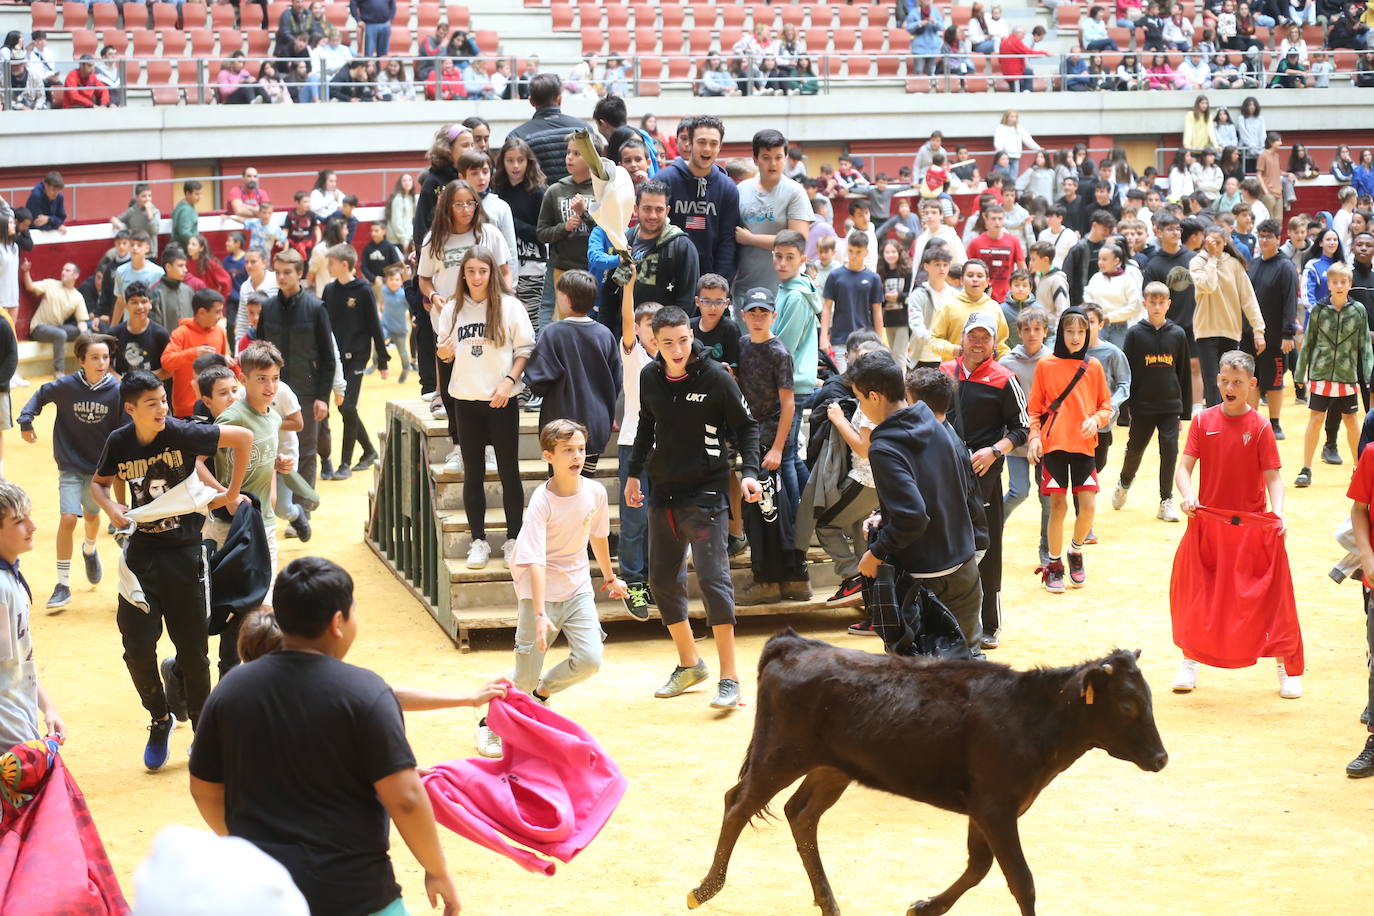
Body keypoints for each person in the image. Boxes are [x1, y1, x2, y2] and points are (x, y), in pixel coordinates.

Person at [189, 557, 469, 916]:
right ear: (338, 623)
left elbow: (204, 790)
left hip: (261, 897)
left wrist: (247, 848)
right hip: (356, 895)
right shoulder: (366, 692)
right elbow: (407, 799)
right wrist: (437, 869)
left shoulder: (231, 690)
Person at [91, 370, 250, 770]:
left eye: (163, 400)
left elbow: (243, 439)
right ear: (130, 409)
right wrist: (111, 508)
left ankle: (203, 735)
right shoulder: (118, 442)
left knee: (194, 654)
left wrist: (229, 493)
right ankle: (160, 719)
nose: (162, 408)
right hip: (140, 556)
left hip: (185, 556)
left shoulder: (182, 433)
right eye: (152, 403)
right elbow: (99, 484)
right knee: (137, 649)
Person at [625, 306, 762, 710]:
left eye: (683, 340)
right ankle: (690, 663)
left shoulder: (716, 377)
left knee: (713, 579)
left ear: (690, 336)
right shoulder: (650, 376)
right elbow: (646, 424)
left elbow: (748, 426)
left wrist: (750, 472)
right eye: (667, 342)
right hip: (662, 491)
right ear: (654, 342)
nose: (677, 348)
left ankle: (730, 678)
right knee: (662, 580)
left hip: (706, 493)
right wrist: (634, 474)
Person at [1171, 350, 1303, 699]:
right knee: (1197, 595)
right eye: (1225, 381)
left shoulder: (1260, 426)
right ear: (1217, 381)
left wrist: (1278, 513)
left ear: (1252, 385)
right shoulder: (1202, 421)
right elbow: (1183, 469)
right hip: (1208, 524)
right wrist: (1187, 495)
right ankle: (1189, 661)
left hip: (1252, 529)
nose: (1230, 388)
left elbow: (1274, 477)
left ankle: (1285, 667)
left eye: (1238, 383)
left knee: (1271, 599)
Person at [852, 349, 986, 657]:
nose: (861, 406)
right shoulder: (935, 422)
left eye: (860, 398)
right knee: (970, 670)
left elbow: (913, 516)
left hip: (925, 578)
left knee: (918, 681)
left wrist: (875, 552)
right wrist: (885, 520)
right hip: (964, 564)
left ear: (874, 396)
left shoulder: (884, 447)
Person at [434, 247, 535, 570]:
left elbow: (525, 350)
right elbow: (445, 355)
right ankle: (478, 541)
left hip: (502, 400)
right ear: (463, 274)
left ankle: (513, 539)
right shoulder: (452, 309)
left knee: (509, 472)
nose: (477, 277)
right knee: (473, 474)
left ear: (492, 273)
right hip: (466, 400)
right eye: (471, 271)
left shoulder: (509, 307)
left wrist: (508, 381)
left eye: (483, 271)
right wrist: (445, 354)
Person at [942, 312, 1030, 648]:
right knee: (948, 544)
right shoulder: (944, 373)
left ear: (995, 343)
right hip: (947, 476)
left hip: (985, 475)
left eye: (985, 337)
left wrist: (994, 451)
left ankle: (989, 623)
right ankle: (949, 618)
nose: (978, 343)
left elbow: (1022, 428)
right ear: (962, 337)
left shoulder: (1004, 379)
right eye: (973, 335)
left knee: (988, 545)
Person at [17, 333, 123, 610]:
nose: (101, 362)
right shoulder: (67, 386)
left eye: (105, 357)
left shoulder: (117, 391)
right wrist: (27, 419)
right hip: (70, 465)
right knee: (67, 518)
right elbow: (41, 394)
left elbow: (126, 428)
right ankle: (62, 584)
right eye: (95, 358)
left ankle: (89, 549)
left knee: (91, 515)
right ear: (81, 360)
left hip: (100, 470)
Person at [1026, 307, 1112, 593]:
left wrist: (1095, 419)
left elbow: (1106, 407)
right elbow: (1035, 409)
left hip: (1085, 448)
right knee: (1058, 507)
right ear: (1060, 333)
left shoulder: (1094, 367)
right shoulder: (1046, 365)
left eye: (1081, 332)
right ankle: (1053, 564)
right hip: (1054, 447)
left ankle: (1075, 551)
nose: (1075, 337)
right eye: (1070, 331)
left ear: (1088, 333)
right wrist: (1035, 437)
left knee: (1088, 507)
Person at [734, 288, 810, 605]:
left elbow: (789, 405)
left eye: (763, 313)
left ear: (773, 316)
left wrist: (778, 447)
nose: (757, 318)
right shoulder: (742, 344)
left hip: (773, 439)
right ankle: (781, 579)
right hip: (753, 436)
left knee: (775, 511)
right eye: (752, 312)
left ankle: (780, 579)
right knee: (765, 511)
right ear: (743, 315)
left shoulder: (779, 352)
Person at [524, 270, 621, 477]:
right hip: (596, 424)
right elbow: (616, 381)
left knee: (560, 485)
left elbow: (538, 383)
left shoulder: (552, 332)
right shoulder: (605, 335)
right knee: (586, 484)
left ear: (566, 299)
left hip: (559, 426)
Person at [256, 249, 336, 491]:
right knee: (269, 447)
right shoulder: (267, 307)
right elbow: (259, 351)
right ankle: (281, 505)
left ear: (300, 273)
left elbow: (328, 358)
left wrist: (323, 398)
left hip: (307, 391)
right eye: (278, 272)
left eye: (287, 272)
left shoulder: (316, 308)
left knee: (306, 451)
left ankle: (302, 510)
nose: (281, 277)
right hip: (270, 391)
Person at [1113, 282, 1192, 523]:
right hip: (1143, 406)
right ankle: (1125, 482)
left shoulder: (1178, 334)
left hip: (1170, 406)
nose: (1157, 307)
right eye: (1152, 303)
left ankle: (1165, 500)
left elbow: (1183, 373)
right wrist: (1125, 412)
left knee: (1169, 451)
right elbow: (1126, 374)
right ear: (1144, 304)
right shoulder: (1135, 334)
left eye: (1162, 303)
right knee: (1135, 450)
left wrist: (1185, 410)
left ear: (1169, 304)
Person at [1294, 262, 1374, 488]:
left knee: (1351, 421)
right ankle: (1306, 468)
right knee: (1316, 418)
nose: (1339, 286)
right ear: (1328, 284)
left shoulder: (1359, 311)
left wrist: (1368, 376)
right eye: (1335, 282)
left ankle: (1360, 468)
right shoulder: (1319, 310)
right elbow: (1308, 342)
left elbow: (1364, 346)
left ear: (1350, 284)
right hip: (1320, 374)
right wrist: (1300, 373)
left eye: (1343, 282)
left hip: (1347, 374)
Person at [0, 481, 66, 750]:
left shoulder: (10, 577)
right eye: (18, 521)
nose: (32, 526)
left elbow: (17, 662)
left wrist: (47, 707)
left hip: (20, 721)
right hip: (9, 733)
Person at [320, 243, 387, 479]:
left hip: (357, 356)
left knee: (347, 406)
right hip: (334, 357)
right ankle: (368, 451)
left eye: (331, 263)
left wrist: (383, 359)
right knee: (343, 407)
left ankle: (345, 464)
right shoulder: (328, 290)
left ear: (344, 264)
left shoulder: (363, 290)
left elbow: (374, 326)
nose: (328, 267)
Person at [595, 179, 699, 331]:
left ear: (667, 210)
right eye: (647, 209)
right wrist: (605, 332)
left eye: (659, 209)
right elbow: (610, 290)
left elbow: (686, 301)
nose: (653, 215)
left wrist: (671, 337)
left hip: (662, 339)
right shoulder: (624, 239)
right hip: (625, 335)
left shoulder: (682, 246)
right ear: (636, 209)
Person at [654, 115, 740, 282]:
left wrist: (718, 283)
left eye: (713, 143)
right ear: (689, 144)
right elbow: (652, 233)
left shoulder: (728, 189)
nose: (707, 149)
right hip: (666, 279)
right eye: (701, 142)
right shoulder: (664, 181)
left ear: (720, 146)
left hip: (710, 284)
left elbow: (728, 242)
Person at [734, 130, 812, 305]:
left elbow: (798, 241)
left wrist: (751, 239)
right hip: (745, 288)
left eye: (778, 157)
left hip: (785, 289)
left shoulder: (795, 192)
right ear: (755, 159)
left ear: (785, 157)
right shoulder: (741, 190)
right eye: (766, 157)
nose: (773, 163)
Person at [1191, 226, 1265, 406]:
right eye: (1211, 241)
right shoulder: (1197, 262)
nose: (1214, 245)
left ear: (1225, 243)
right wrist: (1212, 259)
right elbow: (1209, 285)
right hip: (1205, 331)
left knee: (1229, 381)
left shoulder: (1234, 265)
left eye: (1218, 242)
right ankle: (1214, 426)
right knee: (1212, 382)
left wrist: (1258, 331)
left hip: (1230, 331)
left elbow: (1249, 299)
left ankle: (1230, 420)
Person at [536, 135, 597, 329]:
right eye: (568, 152)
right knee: (561, 322)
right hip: (562, 269)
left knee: (591, 322)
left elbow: (610, 233)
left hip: (594, 270)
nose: (569, 157)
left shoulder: (602, 189)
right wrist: (564, 228)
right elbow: (542, 232)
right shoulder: (555, 191)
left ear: (591, 158)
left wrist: (584, 214)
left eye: (577, 153)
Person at [1247, 219, 1300, 441]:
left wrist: (1288, 334)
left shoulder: (1285, 266)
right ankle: (1252, 421)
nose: (1264, 239)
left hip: (1277, 336)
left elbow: (1290, 302)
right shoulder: (1255, 264)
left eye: (1269, 236)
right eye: (1261, 235)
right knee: (1253, 378)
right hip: (1253, 334)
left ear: (1278, 239)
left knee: (1276, 380)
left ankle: (1275, 423)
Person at [161, 290, 232, 420]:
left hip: (216, 407)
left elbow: (224, 369)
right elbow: (166, 361)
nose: (220, 316)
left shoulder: (220, 331)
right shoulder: (181, 333)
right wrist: (194, 353)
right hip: (186, 409)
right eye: (217, 312)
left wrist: (229, 362)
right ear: (201, 312)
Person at [507, 73, 588, 184]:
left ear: (531, 101)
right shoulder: (584, 130)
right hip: (582, 199)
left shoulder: (517, 137)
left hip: (537, 200)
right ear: (559, 99)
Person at [820, 231, 884, 367]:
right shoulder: (835, 276)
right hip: (840, 339)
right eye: (850, 250)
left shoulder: (874, 278)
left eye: (858, 252)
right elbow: (826, 308)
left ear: (866, 252)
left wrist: (880, 341)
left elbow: (877, 311)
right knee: (844, 381)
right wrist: (823, 337)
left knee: (863, 384)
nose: (853, 256)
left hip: (866, 341)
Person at [929, 259, 1011, 360]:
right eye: (970, 275)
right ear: (962, 280)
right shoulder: (949, 306)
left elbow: (1001, 346)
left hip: (986, 372)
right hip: (953, 370)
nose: (975, 279)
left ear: (987, 282)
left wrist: (1007, 362)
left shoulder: (995, 308)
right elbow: (934, 340)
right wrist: (954, 350)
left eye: (980, 276)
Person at [20, 259, 89, 377]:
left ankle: (84, 368)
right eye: (63, 269)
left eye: (67, 270)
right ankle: (59, 371)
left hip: (57, 327)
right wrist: (26, 272)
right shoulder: (51, 283)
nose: (63, 272)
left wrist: (85, 334)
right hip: (39, 328)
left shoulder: (78, 296)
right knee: (60, 334)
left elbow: (81, 321)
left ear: (75, 275)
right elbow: (30, 286)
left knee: (82, 333)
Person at [107, 280, 171, 381]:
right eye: (134, 302)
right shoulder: (114, 334)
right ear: (126, 306)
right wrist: (121, 381)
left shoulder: (161, 334)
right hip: (124, 390)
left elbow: (169, 370)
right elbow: (105, 364)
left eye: (144, 301)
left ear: (150, 304)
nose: (140, 307)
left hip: (153, 390)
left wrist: (140, 381)